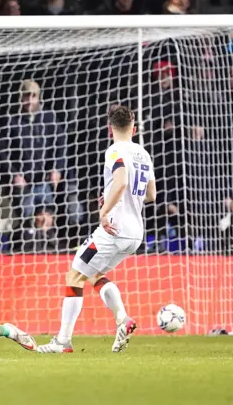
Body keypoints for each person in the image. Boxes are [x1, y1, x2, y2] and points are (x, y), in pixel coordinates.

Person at [37, 106, 156, 354]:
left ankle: (63, 341)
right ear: (133, 128)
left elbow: (122, 181)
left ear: (109, 128)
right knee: (90, 275)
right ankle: (123, 320)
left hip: (114, 229)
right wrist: (117, 199)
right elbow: (151, 195)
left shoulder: (114, 151)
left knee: (73, 277)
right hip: (135, 234)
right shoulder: (143, 154)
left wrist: (104, 211)